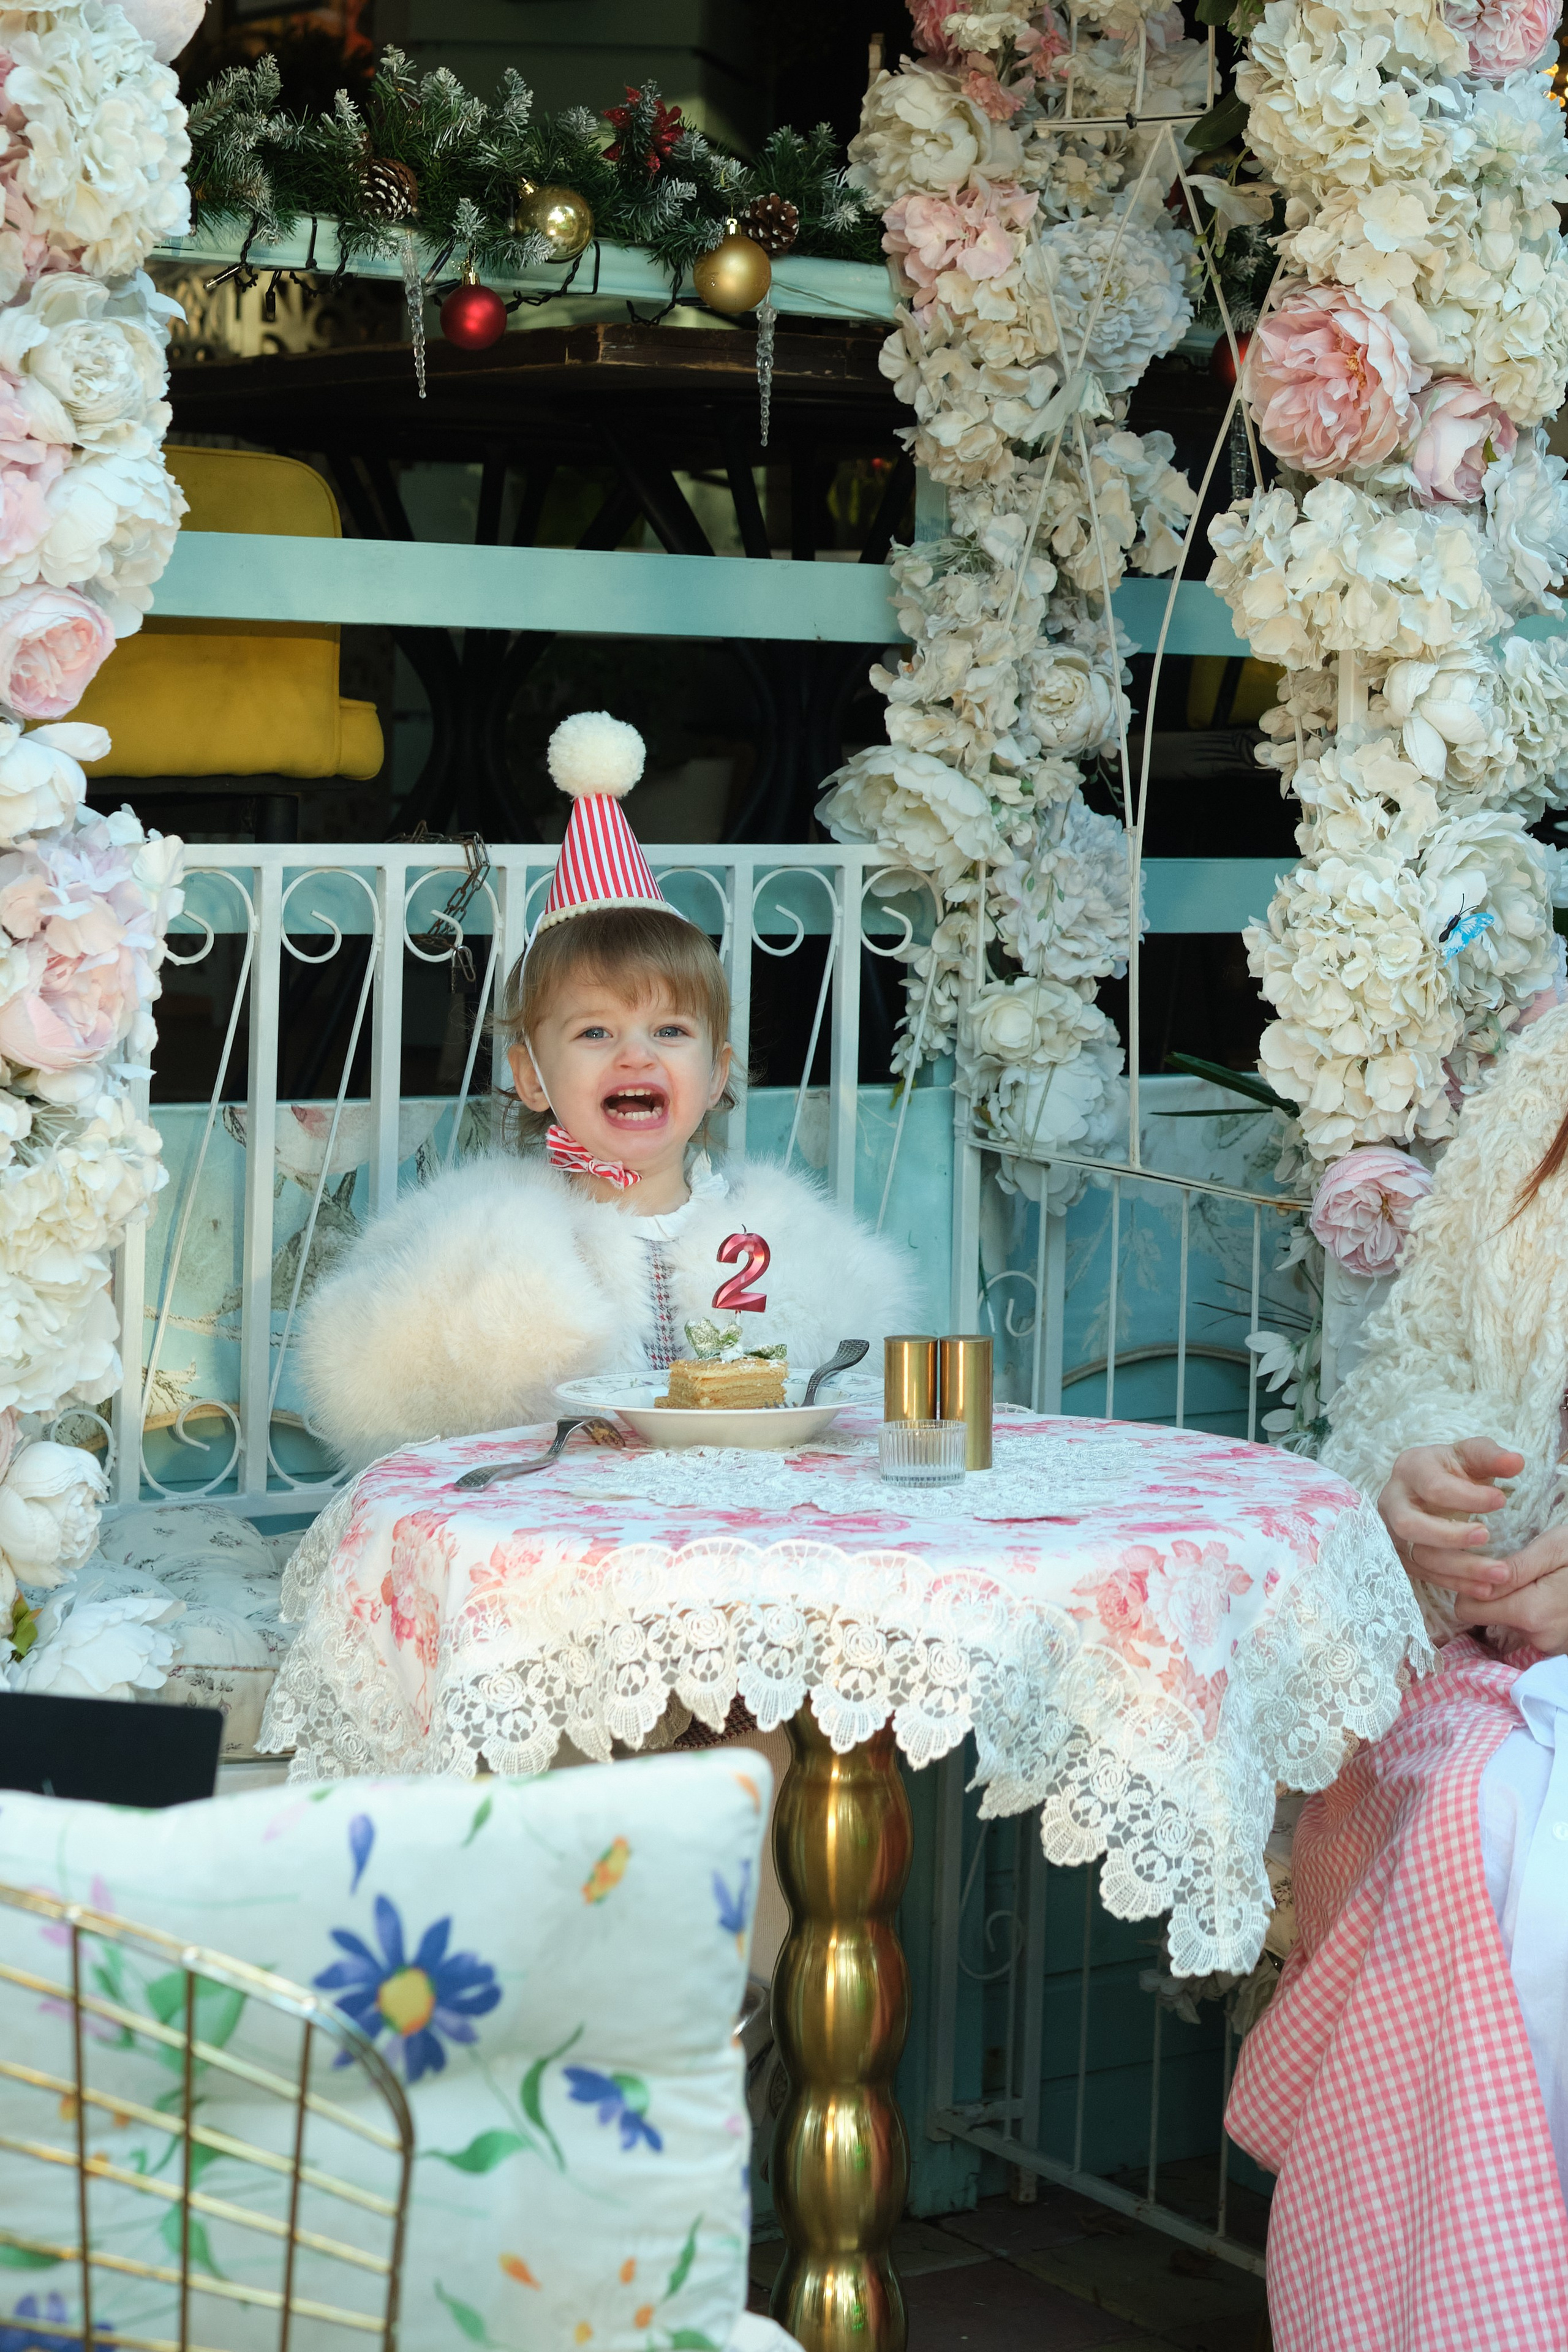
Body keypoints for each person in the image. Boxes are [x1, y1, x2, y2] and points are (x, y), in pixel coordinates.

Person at [296, 709, 916, 1472]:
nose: (635, 1057)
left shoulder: (786, 1238)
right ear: (530, 1077)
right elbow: (373, 1399)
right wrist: (512, 1327)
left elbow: (851, 1395)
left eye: (670, 1033)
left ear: (717, 1074)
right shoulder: (481, 1232)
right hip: (555, 1531)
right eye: (595, 1033)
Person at [1225, 1002, 1568, 2349]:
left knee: (1524, 1870)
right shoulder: (1548, 1063)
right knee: (1461, 1821)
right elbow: (1418, 1355)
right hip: (1499, 1648)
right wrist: (1418, 1480)